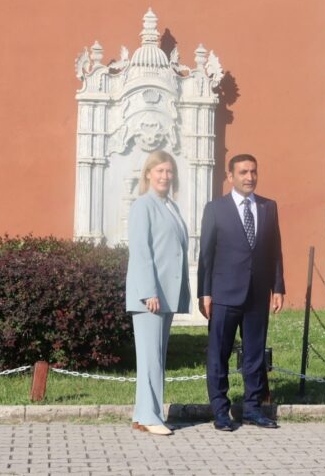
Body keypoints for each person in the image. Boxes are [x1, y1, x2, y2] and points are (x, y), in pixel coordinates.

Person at [198, 153, 285, 431]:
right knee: (219, 354)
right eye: (243, 172)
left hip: (257, 294)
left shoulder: (268, 207)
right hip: (224, 294)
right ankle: (220, 411)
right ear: (230, 176)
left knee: (255, 354)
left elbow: (275, 250)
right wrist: (205, 293)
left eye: (253, 172)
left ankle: (252, 409)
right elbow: (206, 255)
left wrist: (278, 287)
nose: (250, 177)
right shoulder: (215, 209)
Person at [125, 149, 190, 436]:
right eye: (160, 170)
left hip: (165, 294)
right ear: (148, 174)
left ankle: (145, 415)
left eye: (169, 171)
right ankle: (150, 416)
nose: (165, 176)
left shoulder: (170, 206)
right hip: (149, 297)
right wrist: (149, 292)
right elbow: (141, 251)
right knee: (150, 358)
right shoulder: (143, 205)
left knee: (156, 358)